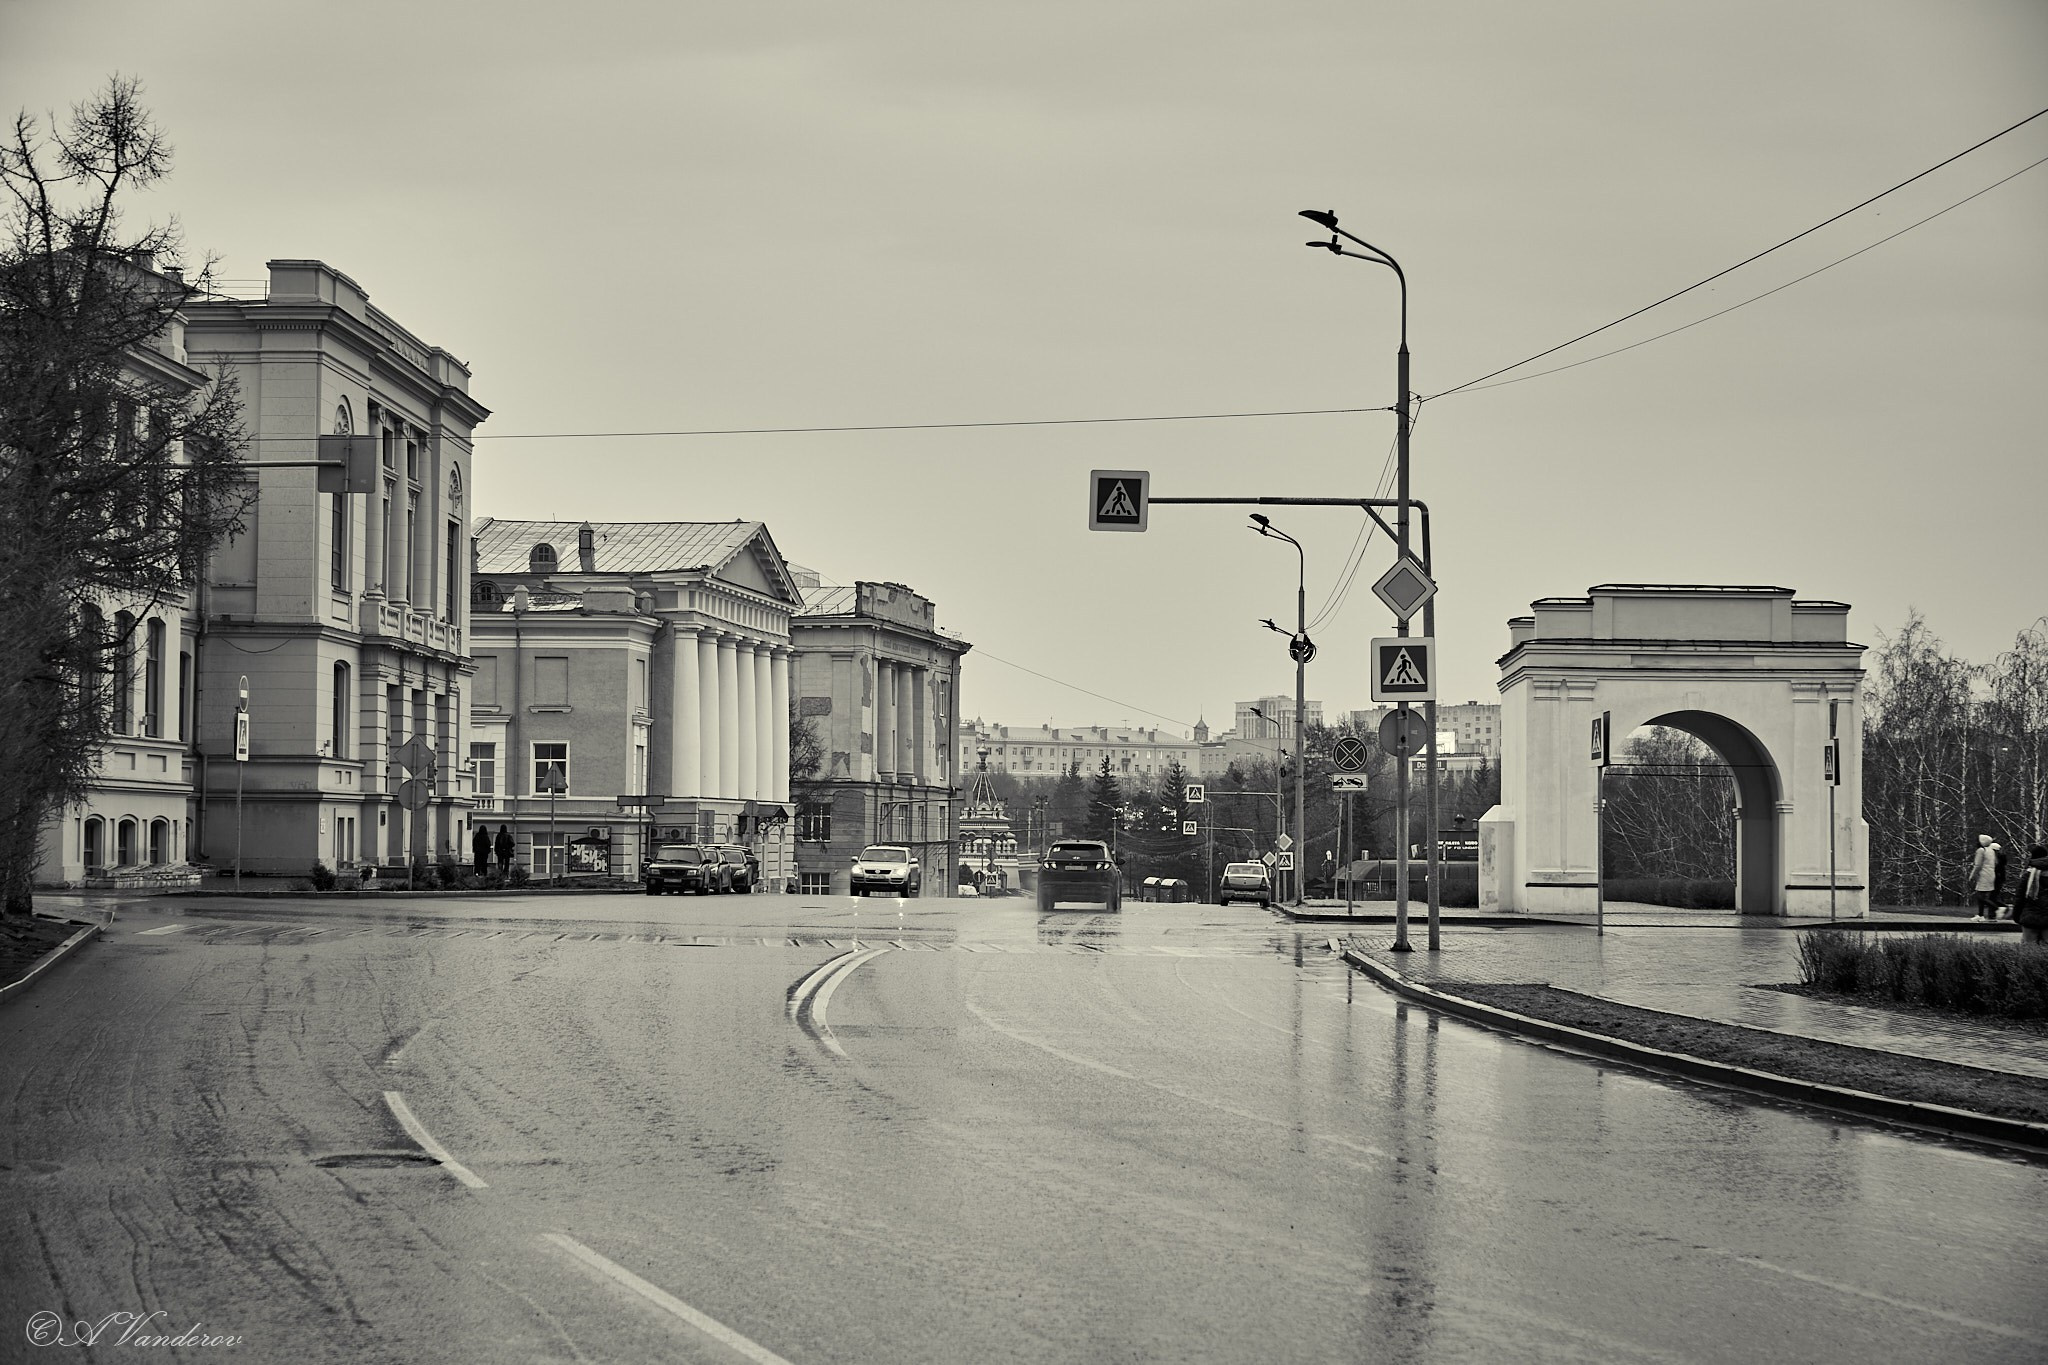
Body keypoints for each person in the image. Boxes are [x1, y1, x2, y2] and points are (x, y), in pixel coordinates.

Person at [2013, 845, 2048, 946]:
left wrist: (2017, 916)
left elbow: (2019, 898)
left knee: (2029, 950)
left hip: (2030, 918)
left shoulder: (2028, 875)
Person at [1968, 834, 2000, 920]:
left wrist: (1972, 875)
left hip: (1983, 874)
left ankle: (1996, 908)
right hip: (1991, 874)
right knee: (1984, 895)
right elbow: (1996, 862)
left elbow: (1977, 865)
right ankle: (1980, 915)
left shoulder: (1981, 850)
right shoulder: (1991, 850)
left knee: (1980, 896)